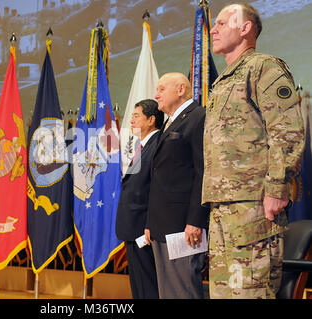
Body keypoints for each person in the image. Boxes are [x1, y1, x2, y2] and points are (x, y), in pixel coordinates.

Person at [203, 3, 305, 299]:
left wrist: (276, 187)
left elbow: (286, 131)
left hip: (254, 207)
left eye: (222, 23)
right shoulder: (223, 81)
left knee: (251, 293)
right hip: (222, 207)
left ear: (245, 28)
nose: (214, 29)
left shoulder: (264, 67)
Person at [145, 73, 209, 299]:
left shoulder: (199, 117)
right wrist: (151, 222)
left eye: (162, 89)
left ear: (181, 89)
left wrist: (195, 220)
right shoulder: (172, 121)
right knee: (167, 292)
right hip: (163, 224)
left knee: (183, 291)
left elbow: (202, 173)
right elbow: (162, 176)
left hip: (184, 226)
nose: (156, 95)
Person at [116, 99, 164, 299]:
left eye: (137, 116)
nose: (132, 120)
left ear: (151, 119)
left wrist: (149, 224)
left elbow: (155, 189)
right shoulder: (144, 145)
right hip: (133, 228)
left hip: (143, 229)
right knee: (139, 286)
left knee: (147, 286)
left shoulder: (157, 145)